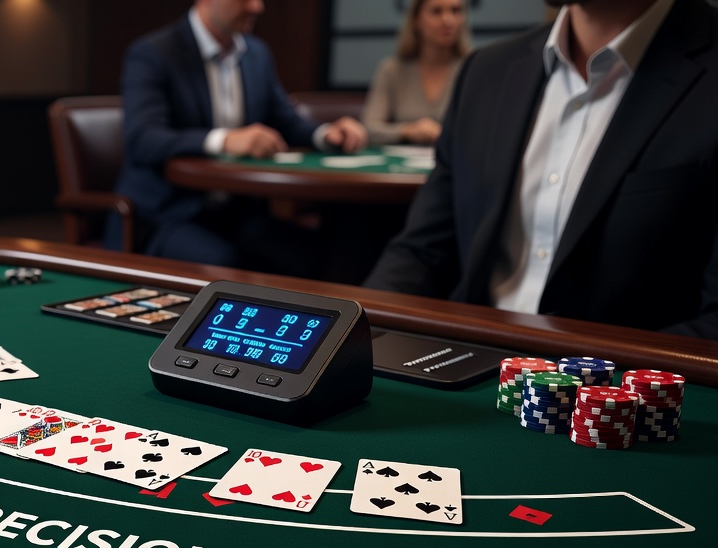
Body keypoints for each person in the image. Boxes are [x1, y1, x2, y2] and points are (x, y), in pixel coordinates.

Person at [364, 0, 718, 339]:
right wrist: (353, 333)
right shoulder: (485, 71)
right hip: (469, 366)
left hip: (621, 390)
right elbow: (423, 253)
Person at [108, 0, 367, 271]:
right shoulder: (154, 53)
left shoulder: (256, 53)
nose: (257, 7)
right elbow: (143, 139)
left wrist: (327, 134)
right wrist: (226, 140)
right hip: (168, 215)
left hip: (237, 212)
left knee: (314, 255)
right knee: (224, 263)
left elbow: (285, 122)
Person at [361, 0, 470, 146]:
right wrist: (408, 131)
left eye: (455, 11)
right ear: (416, 20)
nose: (448, 20)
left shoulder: (471, 69)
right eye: (436, 11)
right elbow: (369, 128)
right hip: (399, 164)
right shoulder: (393, 70)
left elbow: (485, 129)